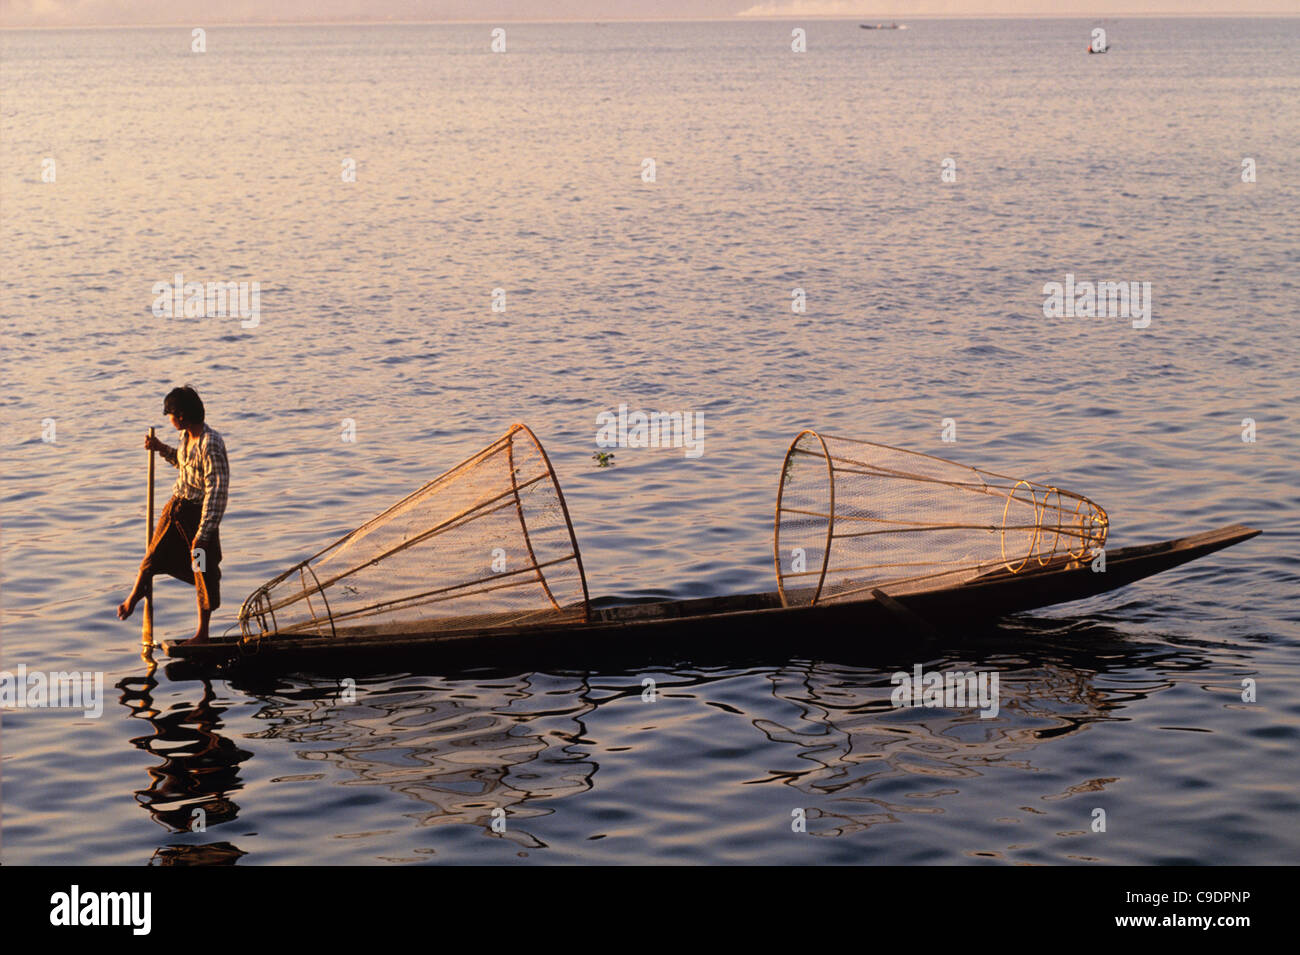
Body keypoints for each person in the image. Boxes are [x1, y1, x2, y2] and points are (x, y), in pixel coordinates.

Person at [117, 386, 229, 644]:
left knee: (202, 570)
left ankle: (202, 633)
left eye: (171, 415)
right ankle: (134, 596)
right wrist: (160, 448)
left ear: (181, 415)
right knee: (152, 557)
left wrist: (204, 533)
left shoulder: (211, 443)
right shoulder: (186, 438)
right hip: (176, 510)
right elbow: (184, 463)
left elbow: (217, 490)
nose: (169, 420)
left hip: (199, 518)